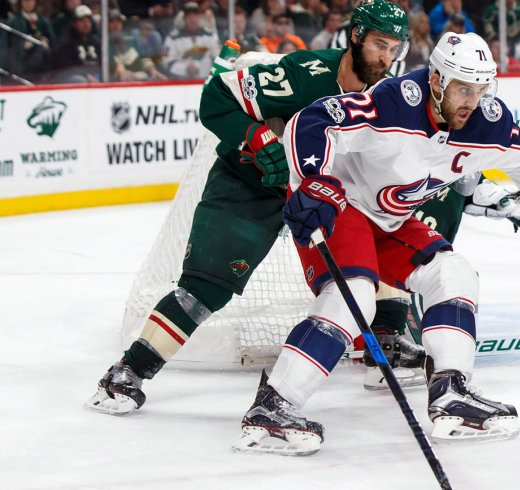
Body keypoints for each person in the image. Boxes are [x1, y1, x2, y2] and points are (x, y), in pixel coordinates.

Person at [233, 32, 520, 454]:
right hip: (342, 206)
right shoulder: (394, 102)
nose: (472, 101)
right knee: (355, 297)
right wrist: (313, 182)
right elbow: (311, 123)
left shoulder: (487, 119)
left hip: (391, 220)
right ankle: (273, 407)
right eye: (463, 88)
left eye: (480, 89)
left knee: (454, 274)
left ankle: (451, 392)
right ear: (438, 79)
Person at [84, 0, 414, 416]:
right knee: (205, 288)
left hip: (319, 196)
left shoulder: (388, 96)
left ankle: (384, 348)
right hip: (252, 185)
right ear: (356, 36)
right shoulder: (306, 74)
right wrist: (254, 137)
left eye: (394, 48)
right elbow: (217, 95)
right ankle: (129, 371)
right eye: (379, 44)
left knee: (387, 241)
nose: (386, 57)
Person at [161, 1, 220, 79]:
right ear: (184, 18)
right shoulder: (173, 39)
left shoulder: (211, 36)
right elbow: (167, 63)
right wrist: (185, 69)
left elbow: (219, 60)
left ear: (199, 17)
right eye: (189, 17)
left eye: (195, 16)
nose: (192, 20)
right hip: (181, 82)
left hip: (207, 81)